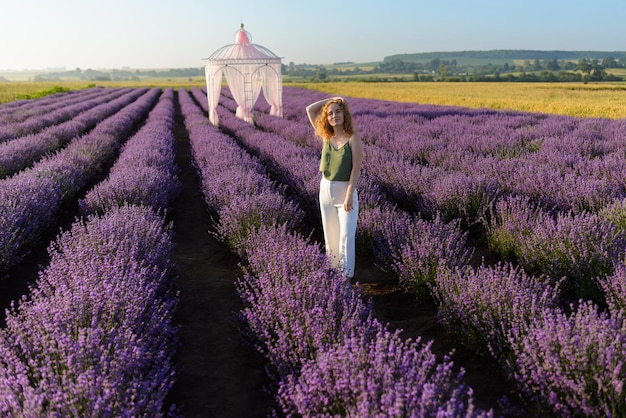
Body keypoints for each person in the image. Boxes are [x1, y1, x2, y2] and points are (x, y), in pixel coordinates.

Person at [306, 96, 363, 280]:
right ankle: (334, 273)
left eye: (338, 111)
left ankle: (346, 277)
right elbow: (310, 109)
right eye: (330, 113)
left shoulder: (353, 138)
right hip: (325, 190)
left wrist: (348, 195)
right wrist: (331, 99)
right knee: (330, 234)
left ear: (344, 113)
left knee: (346, 235)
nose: (334, 115)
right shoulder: (326, 136)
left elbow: (356, 168)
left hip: (345, 191)